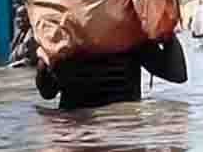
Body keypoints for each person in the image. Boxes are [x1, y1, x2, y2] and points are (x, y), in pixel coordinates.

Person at [36, 35, 187, 110]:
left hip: (76, 136)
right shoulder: (129, 32)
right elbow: (177, 74)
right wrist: (168, 31)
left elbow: (47, 92)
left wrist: (44, 53)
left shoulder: (64, 35)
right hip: (124, 135)